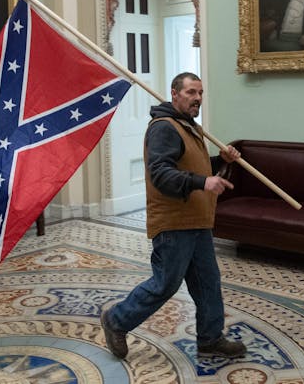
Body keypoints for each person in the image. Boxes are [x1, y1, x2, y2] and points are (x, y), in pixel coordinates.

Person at [100, 72, 247, 360]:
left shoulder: (189, 126)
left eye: (201, 93)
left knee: (207, 282)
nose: (197, 99)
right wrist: (203, 183)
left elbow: (191, 167)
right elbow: (162, 174)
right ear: (175, 93)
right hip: (174, 223)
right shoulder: (164, 128)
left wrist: (220, 161)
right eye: (191, 92)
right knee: (165, 284)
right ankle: (116, 320)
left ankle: (210, 338)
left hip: (197, 221)